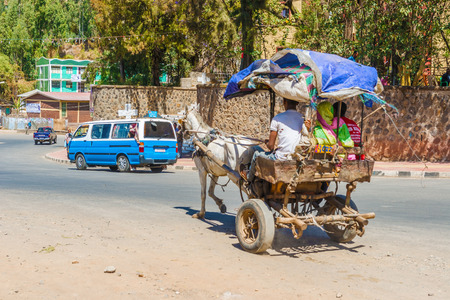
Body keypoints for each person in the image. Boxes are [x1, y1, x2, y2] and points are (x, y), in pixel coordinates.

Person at [244, 98, 311, 182]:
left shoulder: (277, 118)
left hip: (281, 158)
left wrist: (267, 143)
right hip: (296, 157)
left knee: (256, 153)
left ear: (284, 102)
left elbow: (271, 147)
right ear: (297, 103)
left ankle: (248, 177)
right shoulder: (303, 119)